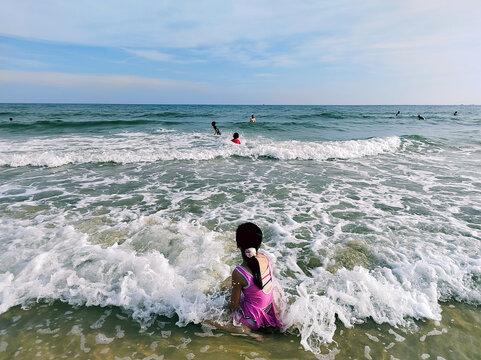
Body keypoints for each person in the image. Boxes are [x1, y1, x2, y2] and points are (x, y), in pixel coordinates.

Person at [230, 222, 281, 332]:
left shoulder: (239, 272)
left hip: (253, 320)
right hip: (269, 310)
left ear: (238, 244)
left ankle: (249, 333)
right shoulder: (265, 258)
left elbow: (234, 306)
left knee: (208, 319)